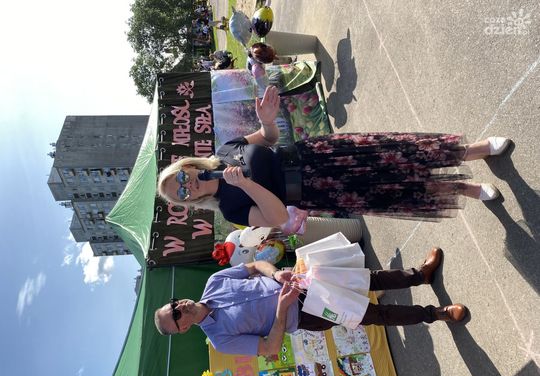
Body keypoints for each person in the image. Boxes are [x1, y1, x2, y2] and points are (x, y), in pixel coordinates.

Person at [157, 86, 511, 227]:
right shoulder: (231, 210)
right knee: (394, 189)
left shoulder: (225, 150)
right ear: (189, 202)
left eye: (182, 178)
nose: (188, 186)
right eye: (182, 193)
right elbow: (278, 217)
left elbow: (268, 139)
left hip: (319, 155)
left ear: (188, 166)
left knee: (398, 154)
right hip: (321, 190)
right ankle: (464, 189)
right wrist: (247, 186)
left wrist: (266, 122)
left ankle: (474, 151)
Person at [154, 248, 469, 355]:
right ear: (182, 329)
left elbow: (253, 266)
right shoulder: (220, 340)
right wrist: (281, 311)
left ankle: (420, 275)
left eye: (174, 304)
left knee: (366, 279)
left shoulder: (214, 282)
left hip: (300, 282)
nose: (180, 307)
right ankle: (437, 313)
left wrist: (275, 273)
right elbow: (270, 348)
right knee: (373, 314)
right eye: (176, 316)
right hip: (307, 314)